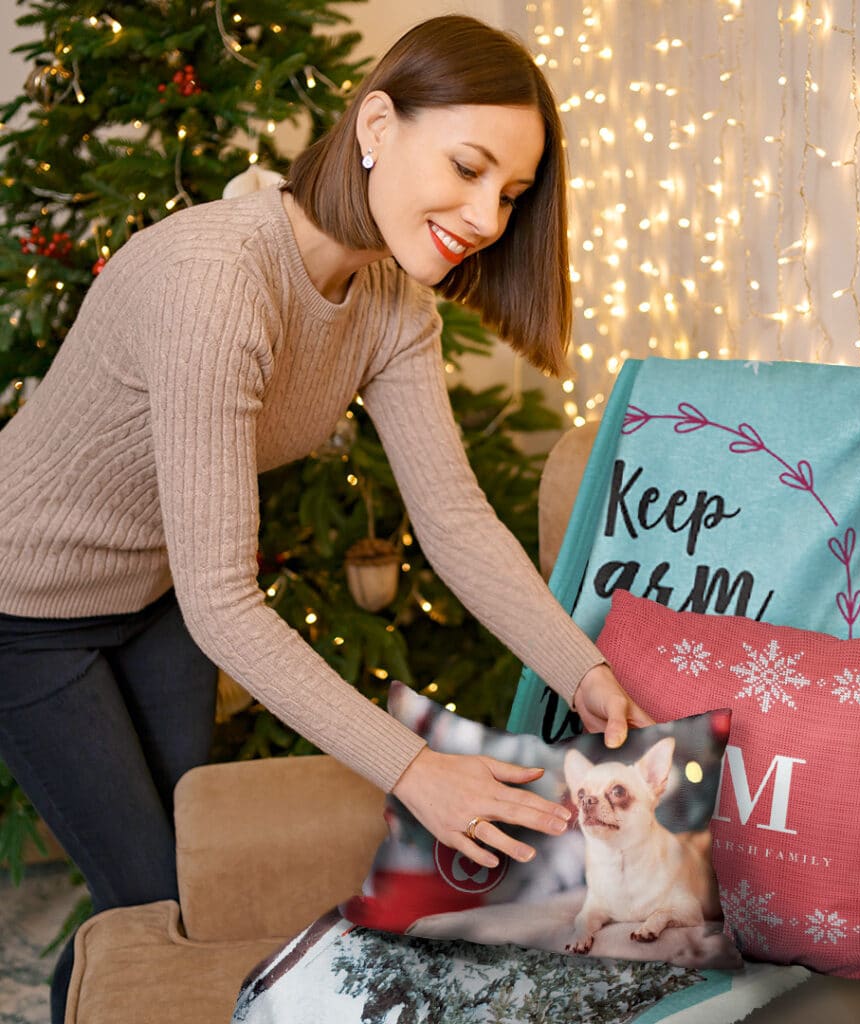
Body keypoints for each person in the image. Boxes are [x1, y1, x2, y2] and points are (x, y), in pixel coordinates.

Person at [0, 15, 651, 1023]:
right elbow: (227, 600)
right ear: (378, 123)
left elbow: (454, 519)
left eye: (509, 194)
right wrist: (415, 771)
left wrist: (584, 668)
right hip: (24, 603)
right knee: (155, 901)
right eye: (469, 167)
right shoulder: (216, 281)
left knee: (193, 882)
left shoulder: (393, 302)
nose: (484, 217)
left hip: (153, 590)